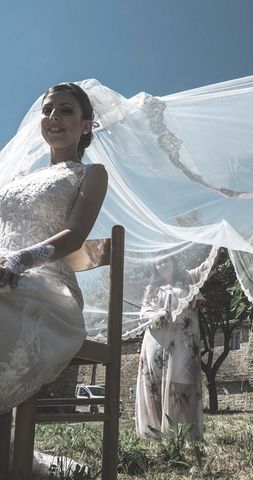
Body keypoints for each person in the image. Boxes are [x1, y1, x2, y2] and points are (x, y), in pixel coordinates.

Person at [0, 83, 108, 476]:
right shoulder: (14, 180)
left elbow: (76, 236)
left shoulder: (91, 173)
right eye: (48, 110)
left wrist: (21, 259)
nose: (53, 118)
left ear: (85, 125)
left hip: (48, 288)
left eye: (65, 110)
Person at [135, 255, 216, 442]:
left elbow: (209, 265)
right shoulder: (152, 289)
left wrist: (216, 243)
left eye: (166, 260)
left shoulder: (189, 279)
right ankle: (154, 434)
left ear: (174, 262)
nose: (162, 264)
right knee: (155, 384)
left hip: (183, 342)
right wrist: (157, 314)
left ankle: (186, 435)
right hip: (156, 341)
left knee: (183, 382)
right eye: (158, 262)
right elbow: (143, 313)